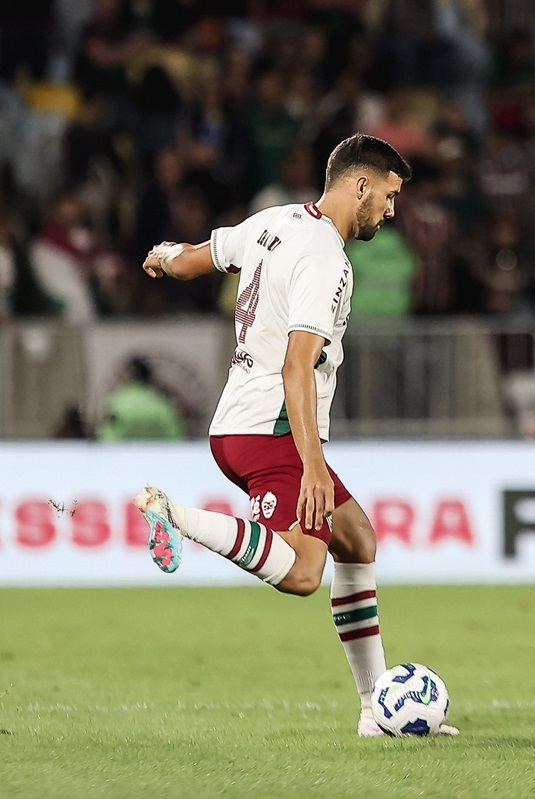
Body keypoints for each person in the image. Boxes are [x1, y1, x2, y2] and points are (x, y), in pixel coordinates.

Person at [133, 134, 458, 738]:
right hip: (271, 430)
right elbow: (296, 364)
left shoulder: (275, 220)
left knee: (356, 540)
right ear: (360, 185)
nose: (391, 210)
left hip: (241, 424)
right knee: (306, 573)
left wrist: (165, 255)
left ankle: (374, 711)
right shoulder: (326, 260)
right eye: (388, 196)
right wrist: (312, 464)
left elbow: (200, 256)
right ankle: (172, 513)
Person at [96, 356, 186, 441]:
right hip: (157, 456)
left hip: (123, 456)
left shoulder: (115, 403)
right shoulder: (163, 405)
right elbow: (176, 438)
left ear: (128, 376)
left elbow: (106, 438)